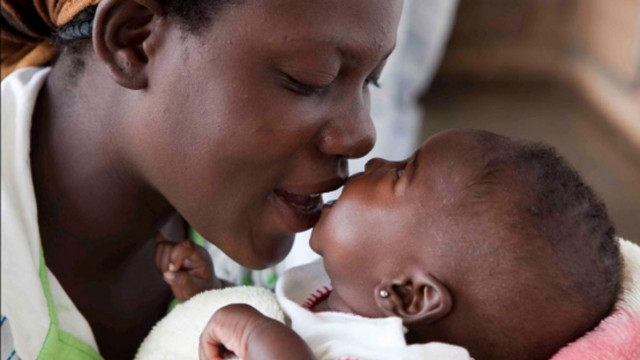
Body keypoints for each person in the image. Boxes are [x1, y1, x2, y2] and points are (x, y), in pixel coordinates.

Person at [0, 0, 403, 359]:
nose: (362, 137)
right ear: (135, 40)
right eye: (308, 79)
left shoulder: (325, 277)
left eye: (371, 81)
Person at [153, 129, 623, 360]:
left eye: (400, 174)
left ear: (407, 294)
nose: (376, 160)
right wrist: (208, 298)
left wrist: (264, 340)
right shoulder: (332, 292)